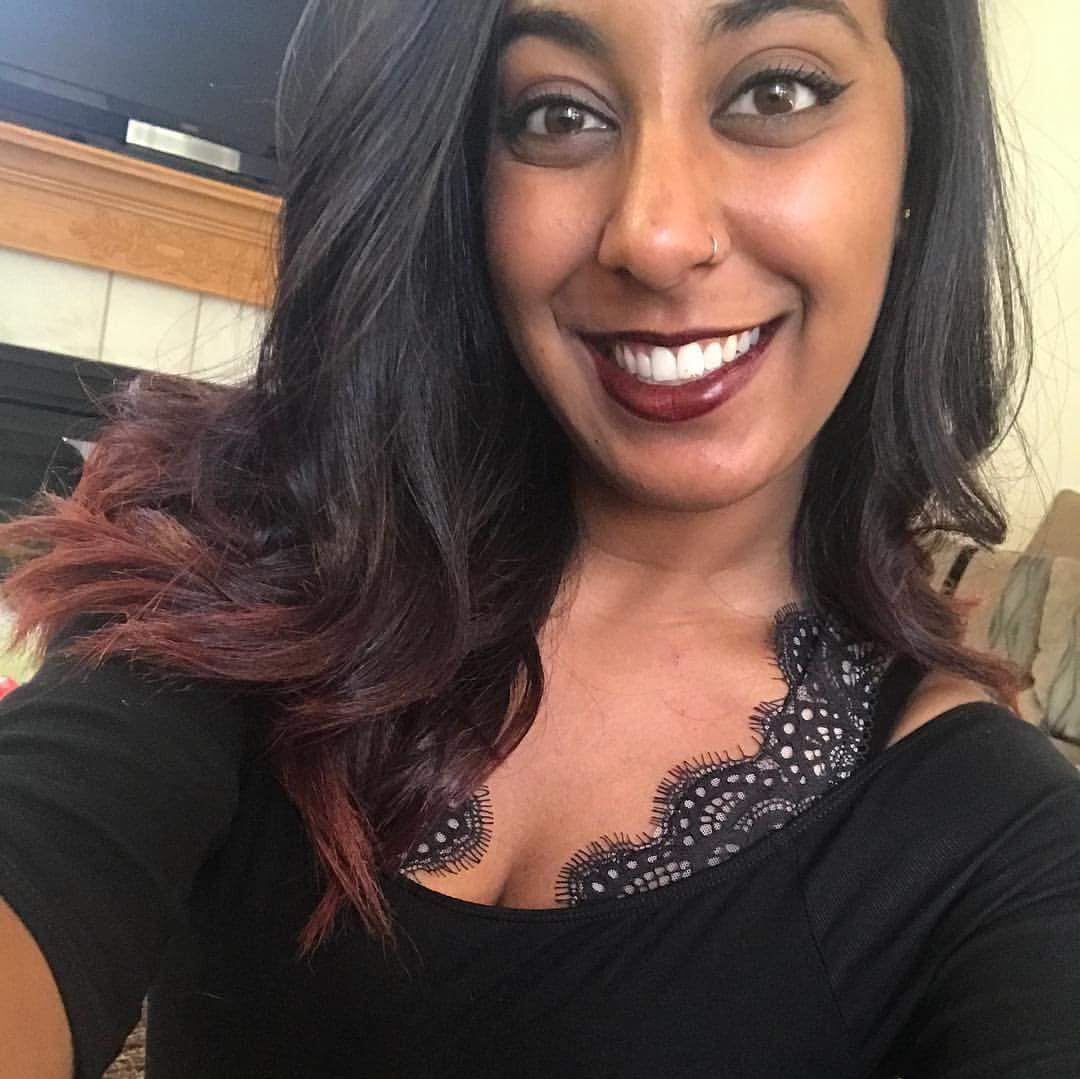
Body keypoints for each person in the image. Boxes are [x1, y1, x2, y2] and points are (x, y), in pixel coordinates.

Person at [1, 0, 1078, 1076]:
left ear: (918, 156)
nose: (653, 235)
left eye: (775, 91)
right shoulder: (242, 552)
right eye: (559, 114)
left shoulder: (1004, 841)